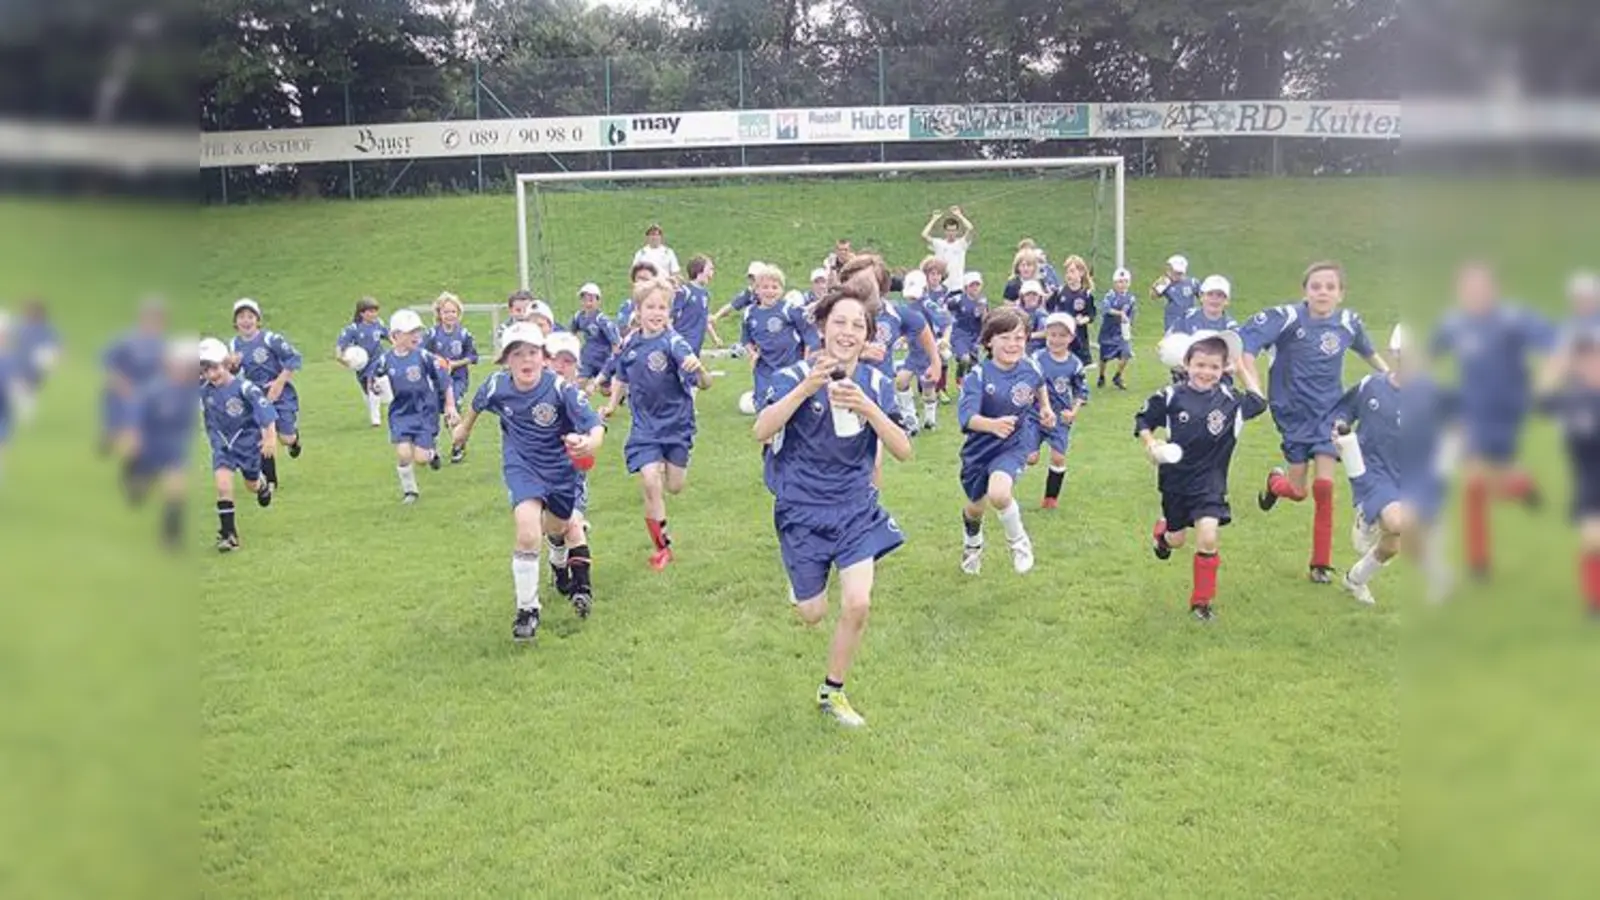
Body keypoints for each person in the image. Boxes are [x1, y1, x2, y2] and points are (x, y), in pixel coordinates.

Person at [754, 281, 913, 728]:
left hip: (855, 507)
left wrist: (870, 409)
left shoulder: (876, 383)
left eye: (857, 325)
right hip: (801, 510)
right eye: (839, 322)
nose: (847, 331)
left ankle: (833, 691)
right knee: (812, 614)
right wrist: (806, 388)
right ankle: (802, 581)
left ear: (868, 336)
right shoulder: (790, 377)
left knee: (858, 603)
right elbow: (761, 431)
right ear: (822, 328)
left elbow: (903, 450)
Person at [1238, 261, 1388, 584]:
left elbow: (1369, 353)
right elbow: (1244, 347)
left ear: (1341, 294)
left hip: (1330, 412)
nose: (1323, 292)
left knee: (1324, 486)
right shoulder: (1286, 318)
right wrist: (1254, 387)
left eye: (1330, 287)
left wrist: (1391, 377)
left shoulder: (1349, 323)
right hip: (1291, 414)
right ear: (1304, 290)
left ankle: (1320, 563)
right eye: (1316, 286)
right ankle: (1274, 483)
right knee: (1297, 490)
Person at [452, 322, 605, 639]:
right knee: (526, 530)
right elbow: (477, 406)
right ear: (506, 359)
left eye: (533, 352)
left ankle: (558, 556)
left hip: (562, 472)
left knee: (557, 528)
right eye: (518, 353)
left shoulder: (561, 389)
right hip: (522, 467)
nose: (526, 360)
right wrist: (463, 431)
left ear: (544, 357)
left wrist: (590, 444)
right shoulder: (497, 385)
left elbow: (595, 426)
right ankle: (527, 609)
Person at [1428, 262, 1556, 580]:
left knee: (1495, 483)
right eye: (1467, 288)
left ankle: (1521, 485)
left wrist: (1543, 383)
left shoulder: (1513, 319)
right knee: (1474, 482)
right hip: (1472, 413)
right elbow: (1430, 353)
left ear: (1494, 290)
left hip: (1508, 412)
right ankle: (1479, 562)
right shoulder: (1455, 324)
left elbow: (1557, 345)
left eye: (1480, 287)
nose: (1473, 294)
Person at [1135, 330, 1268, 620]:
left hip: (1210, 481)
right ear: (1186, 363)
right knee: (1177, 539)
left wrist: (1242, 367)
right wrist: (1151, 443)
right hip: (1175, 480)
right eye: (1200, 365)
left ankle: (1201, 603)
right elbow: (1143, 419)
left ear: (1223, 369)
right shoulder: (1169, 396)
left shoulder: (1230, 400)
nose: (1206, 372)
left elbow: (1258, 401)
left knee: (1208, 537)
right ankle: (1162, 536)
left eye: (1214, 367)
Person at [600, 275, 712, 571]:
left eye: (662, 307)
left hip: (677, 425)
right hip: (645, 427)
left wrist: (700, 371)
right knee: (651, 482)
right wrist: (612, 404)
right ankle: (662, 548)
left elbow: (707, 383)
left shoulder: (674, 343)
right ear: (638, 310)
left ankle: (666, 469)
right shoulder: (630, 344)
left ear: (669, 312)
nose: (656, 313)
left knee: (674, 486)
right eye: (650, 307)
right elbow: (621, 377)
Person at [957, 305, 1056, 576]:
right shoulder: (978, 376)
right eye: (1005, 337)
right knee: (975, 508)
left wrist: (1045, 408)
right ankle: (972, 542)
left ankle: (1019, 543)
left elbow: (1039, 384)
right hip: (979, 450)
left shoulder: (1030, 366)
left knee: (1000, 494)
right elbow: (966, 418)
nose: (1013, 344)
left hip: (1013, 445)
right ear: (989, 340)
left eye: (1019, 338)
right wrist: (992, 425)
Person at [1330, 324, 1406, 606]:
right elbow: (1342, 411)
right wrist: (1338, 430)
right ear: (1394, 352)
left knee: (1392, 545)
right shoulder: (1371, 385)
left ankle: (1355, 579)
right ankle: (1367, 513)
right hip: (1372, 468)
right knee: (1397, 522)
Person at [1534, 331, 1600, 617]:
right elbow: (1541, 403)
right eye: (1582, 360)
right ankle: (1593, 605)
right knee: (1592, 540)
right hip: (1588, 477)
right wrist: (1553, 370)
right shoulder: (1574, 396)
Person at [199, 337, 276, 552]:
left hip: (248, 445)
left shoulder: (245, 388)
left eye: (214, 368)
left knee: (251, 485)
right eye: (205, 370)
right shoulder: (203, 388)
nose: (210, 375)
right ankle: (229, 535)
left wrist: (269, 438)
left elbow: (266, 413)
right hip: (222, 446)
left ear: (224, 363)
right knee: (223, 486)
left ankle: (261, 484)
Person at [373, 309, 458, 504]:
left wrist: (450, 405)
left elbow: (444, 381)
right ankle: (410, 491)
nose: (416, 336)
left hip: (424, 412)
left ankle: (431, 452)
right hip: (400, 413)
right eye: (410, 333)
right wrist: (377, 388)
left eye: (417, 331)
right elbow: (375, 382)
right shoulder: (386, 360)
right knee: (403, 453)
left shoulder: (424, 356)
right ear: (395, 336)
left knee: (420, 459)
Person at [541, 331, 599, 609]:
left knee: (573, 525)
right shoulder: (530, 396)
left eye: (568, 361)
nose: (561, 366)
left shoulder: (577, 399)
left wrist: (586, 445)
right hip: (538, 479)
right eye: (555, 359)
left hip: (571, 477)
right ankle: (558, 563)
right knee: (556, 533)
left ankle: (582, 590)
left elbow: (595, 431)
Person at [128, 338, 198, 550]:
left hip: (174, 448)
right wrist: (135, 442)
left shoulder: (191, 392)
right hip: (150, 446)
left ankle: (171, 538)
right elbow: (138, 420)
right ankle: (135, 484)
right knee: (141, 487)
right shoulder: (154, 390)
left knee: (175, 490)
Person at [229, 298, 303, 489]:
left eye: (250, 316)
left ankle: (294, 441)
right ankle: (270, 480)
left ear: (258, 319)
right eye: (241, 317)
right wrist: (234, 367)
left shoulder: (271, 339)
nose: (246, 321)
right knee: (262, 436)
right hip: (255, 397)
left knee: (285, 438)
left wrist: (279, 383)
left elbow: (294, 358)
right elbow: (231, 376)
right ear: (235, 322)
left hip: (279, 394)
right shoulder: (232, 346)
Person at [102, 299, 168, 475]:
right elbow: (109, 362)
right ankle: (118, 451)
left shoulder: (162, 345)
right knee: (124, 432)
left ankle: (135, 468)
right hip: (123, 393)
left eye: (158, 320)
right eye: (151, 319)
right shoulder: (127, 341)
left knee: (141, 434)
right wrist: (119, 382)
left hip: (147, 396)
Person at [1031, 313, 1088, 509]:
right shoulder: (1036, 358)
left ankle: (1050, 498)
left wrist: (1073, 411)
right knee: (1031, 458)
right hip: (1035, 415)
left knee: (1058, 457)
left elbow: (1082, 391)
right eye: (1052, 335)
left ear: (1071, 338)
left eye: (1062, 336)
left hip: (1060, 417)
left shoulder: (1075, 364)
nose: (1056, 340)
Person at [740, 264, 813, 408]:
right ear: (756, 290)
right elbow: (746, 338)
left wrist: (806, 360)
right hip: (765, 368)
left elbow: (808, 334)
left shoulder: (788, 309)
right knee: (764, 405)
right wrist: (752, 353)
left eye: (774, 287)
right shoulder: (749, 313)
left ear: (781, 290)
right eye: (765, 287)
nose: (770, 291)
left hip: (790, 364)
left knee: (793, 405)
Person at [424, 292, 480, 463]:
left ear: (459, 313)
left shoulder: (464, 335)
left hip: (458, 378)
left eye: (453, 311)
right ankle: (432, 448)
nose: (449, 315)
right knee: (432, 410)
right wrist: (437, 364)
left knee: (452, 407)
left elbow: (473, 357)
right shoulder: (431, 334)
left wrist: (454, 364)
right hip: (435, 381)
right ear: (439, 314)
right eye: (446, 312)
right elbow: (422, 355)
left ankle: (458, 445)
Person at [893, 271, 943, 432]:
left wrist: (946, 339)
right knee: (901, 380)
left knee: (928, 390)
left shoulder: (929, 305)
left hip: (928, 354)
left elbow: (946, 320)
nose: (911, 300)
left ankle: (930, 419)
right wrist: (904, 339)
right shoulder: (905, 307)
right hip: (914, 354)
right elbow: (909, 328)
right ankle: (910, 417)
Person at [1166, 275, 1239, 383]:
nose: (1214, 299)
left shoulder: (1230, 327)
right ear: (1201, 296)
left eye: (1220, 295)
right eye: (1210, 294)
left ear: (1226, 301)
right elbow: (1170, 341)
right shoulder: (1187, 317)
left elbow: (1236, 357)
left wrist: (1231, 366)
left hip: (1218, 380)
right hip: (1187, 377)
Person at [335, 297, 390, 427]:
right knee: (369, 391)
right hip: (362, 365)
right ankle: (382, 402)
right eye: (370, 312)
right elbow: (340, 345)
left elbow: (389, 336)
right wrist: (341, 358)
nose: (373, 314)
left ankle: (376, 419)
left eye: (375, 311)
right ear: (361, 313)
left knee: (373, 383)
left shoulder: (378, 325)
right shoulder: (353, 329)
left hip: (378, 360)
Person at [10, 299, 61, 424]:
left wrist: (55, 360)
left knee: (28, 393)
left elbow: (58, 347)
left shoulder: (47, 329)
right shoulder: (19, 327)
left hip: (35, 369)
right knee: (21, 394)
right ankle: (21, 417)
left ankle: (24, 418)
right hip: (19, 365)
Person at [1049, 255, 1097, 380]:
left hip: (1079, 335)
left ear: (1081, 273)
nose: (1069, 275)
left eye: (1072, 271)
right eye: (1067, 272)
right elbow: (1049, 308)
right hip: (1063, 334)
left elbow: (1091, 314)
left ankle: (1079, 388)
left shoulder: (1086, 294)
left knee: (1079, 365)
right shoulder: (1060, 292)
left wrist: (1084, 320)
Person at [570, 282, 622, 392]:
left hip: (602, 359)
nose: (587, 304)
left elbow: (615, 342)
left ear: (598, 301)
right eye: (584, 300)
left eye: (591, 300)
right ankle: (577, 404)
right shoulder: (578, 316)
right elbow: (572, 334)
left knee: (606, 391)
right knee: (578, 383)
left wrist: (612, 361)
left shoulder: (602, 320)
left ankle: (620, 394)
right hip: (587, 358)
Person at [946, 270, 989, 387]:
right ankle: (959, 376)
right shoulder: (958, 299)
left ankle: (969, 383)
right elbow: (945, 309)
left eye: (977, 285)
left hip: (974, 335)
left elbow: (984, 319)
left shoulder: (983, 301)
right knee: (965, 359)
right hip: (960, 334)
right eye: (972, 285)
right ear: (966, 287)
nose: (975, 288)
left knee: (974, 364)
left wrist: (984, 334)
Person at [672, 256, 722, 355]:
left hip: (696, 343)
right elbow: (671, 316)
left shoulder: (705, 294)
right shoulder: (685, 291)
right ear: (699, 270)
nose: (712, 273)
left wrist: (715, 338)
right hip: (682, 343)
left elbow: (705, 318)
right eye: (710, 269)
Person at [1097, 267, 1136, 390]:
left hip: (1121, 331)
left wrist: (1129, 324)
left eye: (1125, 281)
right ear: (1115, 283)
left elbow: (1132, 314)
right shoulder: (1110, 295)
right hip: (1108, 331)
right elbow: (1106, 309)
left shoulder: (1131, 298)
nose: (1122, 284)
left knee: (1126, 352)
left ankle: (1118, 376)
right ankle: (1101, 375)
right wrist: (1120, 314)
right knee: (1104, 357)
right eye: (1120, 281)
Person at [921, 206, 975, 290]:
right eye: (949, 230)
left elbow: (970, 228)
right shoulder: (939, 243)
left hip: (957, 285)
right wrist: (934, 219)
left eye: (953, 230)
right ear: (945, 231)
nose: (951, 233)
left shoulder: (961, 244)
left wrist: (959, 215)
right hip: (942, 284)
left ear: (957, 231)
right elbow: (924, 235)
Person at [1154, 254, 1201, 332]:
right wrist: (1159, 285)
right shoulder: (1165, 282)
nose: (1177, 276)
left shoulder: (1193, 282)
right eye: (1175, 273)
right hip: (1172, 319)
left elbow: (1203, 298)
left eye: (1179, 273)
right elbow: (1154, 296)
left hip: (1189, 319)